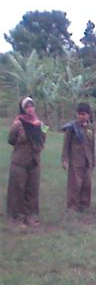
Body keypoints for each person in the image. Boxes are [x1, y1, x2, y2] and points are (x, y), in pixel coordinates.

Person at [6, 97, 47, 228]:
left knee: (32, 189)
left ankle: (32, 216)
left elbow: (43, 138)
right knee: (18, 188)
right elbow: (11, 139)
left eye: (32, 106)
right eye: (27, 107)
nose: (30, 109)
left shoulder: (40, 124)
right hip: (20, 161)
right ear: (23, 109)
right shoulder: (18, 123)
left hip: (34, 161)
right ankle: (18, 218)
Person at [61, 102, 96, 213]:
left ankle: (84, 204)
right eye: (79, 114)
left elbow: (92, 146)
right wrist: (65, 159)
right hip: (75, 160)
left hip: (87, 160)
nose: (82, 116)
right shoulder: (72, 128)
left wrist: (93, 159)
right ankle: (72, 206)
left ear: (89, 115)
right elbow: (66, 145)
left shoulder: (90, 129)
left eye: (84, 114)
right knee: (75, 184)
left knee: (87, 183)